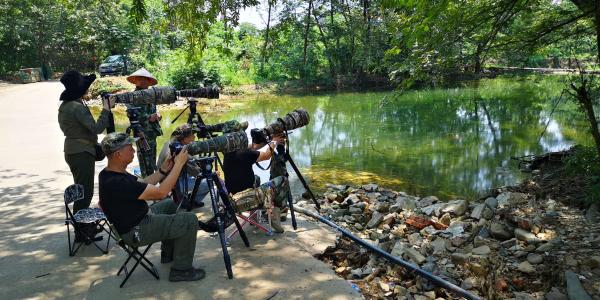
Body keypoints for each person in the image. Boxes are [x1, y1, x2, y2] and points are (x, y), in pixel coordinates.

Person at [98, 132, 205, 282]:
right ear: (118, 154)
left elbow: (144, 183)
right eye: (130, 149)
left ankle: (168, 254)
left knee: (170, 204)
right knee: (189, 220)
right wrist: (179, 164)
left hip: (136, 218)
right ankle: (182, 270)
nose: (134, 151)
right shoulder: (118, 183)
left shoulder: (109, 173)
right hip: (136, 231)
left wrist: (163, 171)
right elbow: (161, 192)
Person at [58, 70, 115, 242]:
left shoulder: (68, 104)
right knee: (85, 192)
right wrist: (106, 109)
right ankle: (81, 232)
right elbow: (96, 129)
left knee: (81, 190)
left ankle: (84, 228)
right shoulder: (76, 107)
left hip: (74, 151)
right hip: (81, 153)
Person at [222, 128, 289, 233]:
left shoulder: (228, 153)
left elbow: (253, 147)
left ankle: (253, 220)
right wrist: (274, 141)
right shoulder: (246, 154)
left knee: (256, 178)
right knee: (283, 180)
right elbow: (267, 155)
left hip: (233, 200)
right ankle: (274, 216)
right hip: (249, 200)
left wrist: (269, 139)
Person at [156, 123, 209, 208]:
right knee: (208, 182)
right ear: (185, 139)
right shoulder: (180, 151)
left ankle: (182, 198)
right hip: (172, 183)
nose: (194, 137)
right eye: (192, 135)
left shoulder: (171, 143)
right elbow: (197, 172)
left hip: (163, 178)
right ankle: (190, 202)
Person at [126, 68, 162, 177]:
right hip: (141, 133)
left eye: (146, 79)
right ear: (135, 81)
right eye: (140, 79)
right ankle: (146, 183)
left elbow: (154, 112)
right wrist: (148, 117)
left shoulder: (151, 96)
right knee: (144, 160)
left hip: (152, 133)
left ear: (149, 82)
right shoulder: (132, 96)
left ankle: (152, 182)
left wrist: (158, 115)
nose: (143, 81)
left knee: (152, 158)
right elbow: (130, 114)